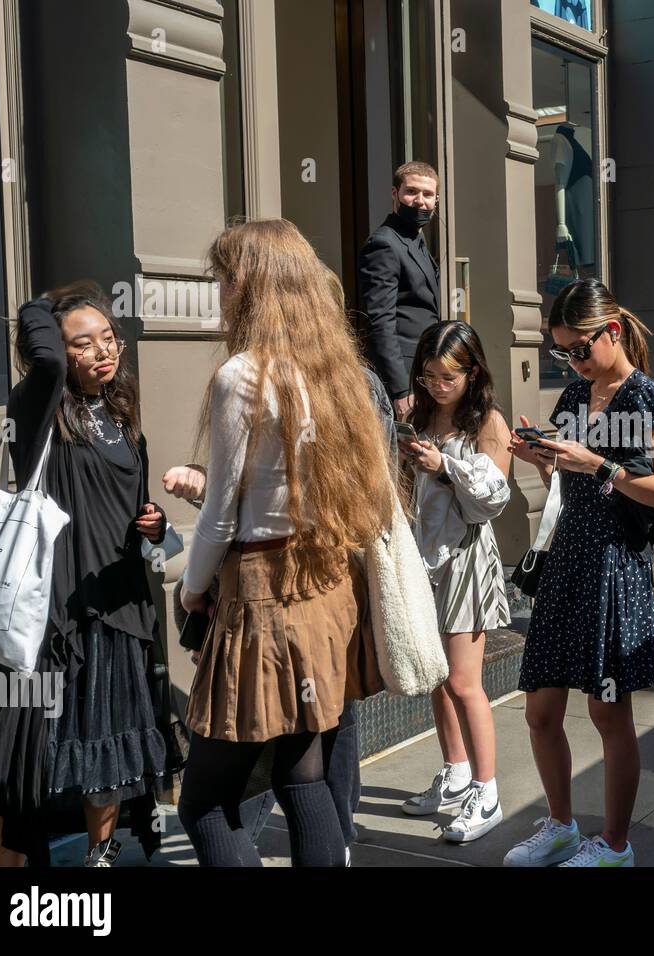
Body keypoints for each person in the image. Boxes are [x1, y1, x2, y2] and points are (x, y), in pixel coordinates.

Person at [176, 220, 393, 867]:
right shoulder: (334, 373)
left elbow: (220, 514)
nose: (218, 289)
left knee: (205, 804)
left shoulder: (242, 377)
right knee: (303, 779)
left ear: (248, 284)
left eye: (222, 277)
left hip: (260, 602)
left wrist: (190, 591)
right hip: (322, 592)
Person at [0, 285, 181, 867]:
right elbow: (48, 359)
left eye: (109, 339)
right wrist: (46, 302)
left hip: (117, 604)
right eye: (84, 344)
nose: (103, 352)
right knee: (23, 759)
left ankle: (98, 858)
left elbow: (132, 507)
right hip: (52, 614)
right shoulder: (38, 413)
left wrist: (155, 527)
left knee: (104, 744)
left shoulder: (119, 416)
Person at [506, 278, 654, 867]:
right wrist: (543, 454)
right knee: (540, 709)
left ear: (611, 332)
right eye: (561, 353)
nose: (571, 362)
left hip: (613, 564)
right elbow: (569, 471)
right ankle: (559, 824)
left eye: (577, 349)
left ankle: (614, 844)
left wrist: (598, 463)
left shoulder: (643, 398)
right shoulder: (578, 398)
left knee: (608, 711)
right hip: (567, 560)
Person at [397, 321, 512, 842]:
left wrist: (444, 466)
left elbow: (492, 499)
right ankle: (457, 772)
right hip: (422, 558)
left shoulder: (487, 421)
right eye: (428, 376)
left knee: (465, 682)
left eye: (448, 377)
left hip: (465, 556)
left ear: (472, 372)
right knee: (437, 676)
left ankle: (487, 792)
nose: (437, 386)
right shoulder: (417, 414)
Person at [357, 160, 442, 416]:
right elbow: (380, 321)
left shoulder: (416, 238)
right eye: (411, 192)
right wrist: (400, 390)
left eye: (428, 194)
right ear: (395, 194)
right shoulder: (383, 244)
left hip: (424, 369)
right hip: (402, 378)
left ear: (436, 200)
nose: (420, 201)